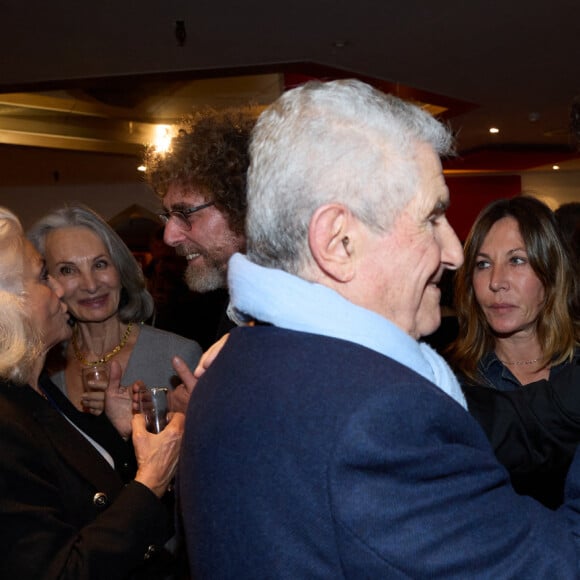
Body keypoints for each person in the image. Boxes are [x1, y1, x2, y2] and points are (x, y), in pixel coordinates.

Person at [179, 79, 580, 578]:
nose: (454, 253)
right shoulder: (378, 418)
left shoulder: (235, 363)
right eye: (433, 217)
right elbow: (556, 566)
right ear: (339, 241)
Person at [0, 206, 185, 579]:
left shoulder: (36, 394)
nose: (61, 288)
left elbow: (102, 500)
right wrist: (152, 479)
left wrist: (124, 434)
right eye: (45, 275)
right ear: (9, 305)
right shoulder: (7, 419)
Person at [27, 204, 202, 479]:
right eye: (68, 270)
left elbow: (202, 470)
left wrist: (143, 421)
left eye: (100, 264)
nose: (91, 284)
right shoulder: (42, 368)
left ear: (120, 270)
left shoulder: (177, 356)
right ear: (46, 283)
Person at [448, 195, 580, 508]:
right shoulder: (453, 383)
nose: (496, 282)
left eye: (516, 260)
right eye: (483, 264)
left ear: (551, 271)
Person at [143, 107, 255, 344]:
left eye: (185, 213)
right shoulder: (236, 305)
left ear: (240, 205)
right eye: (169, 216)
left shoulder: (291, 308)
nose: (169, 236)